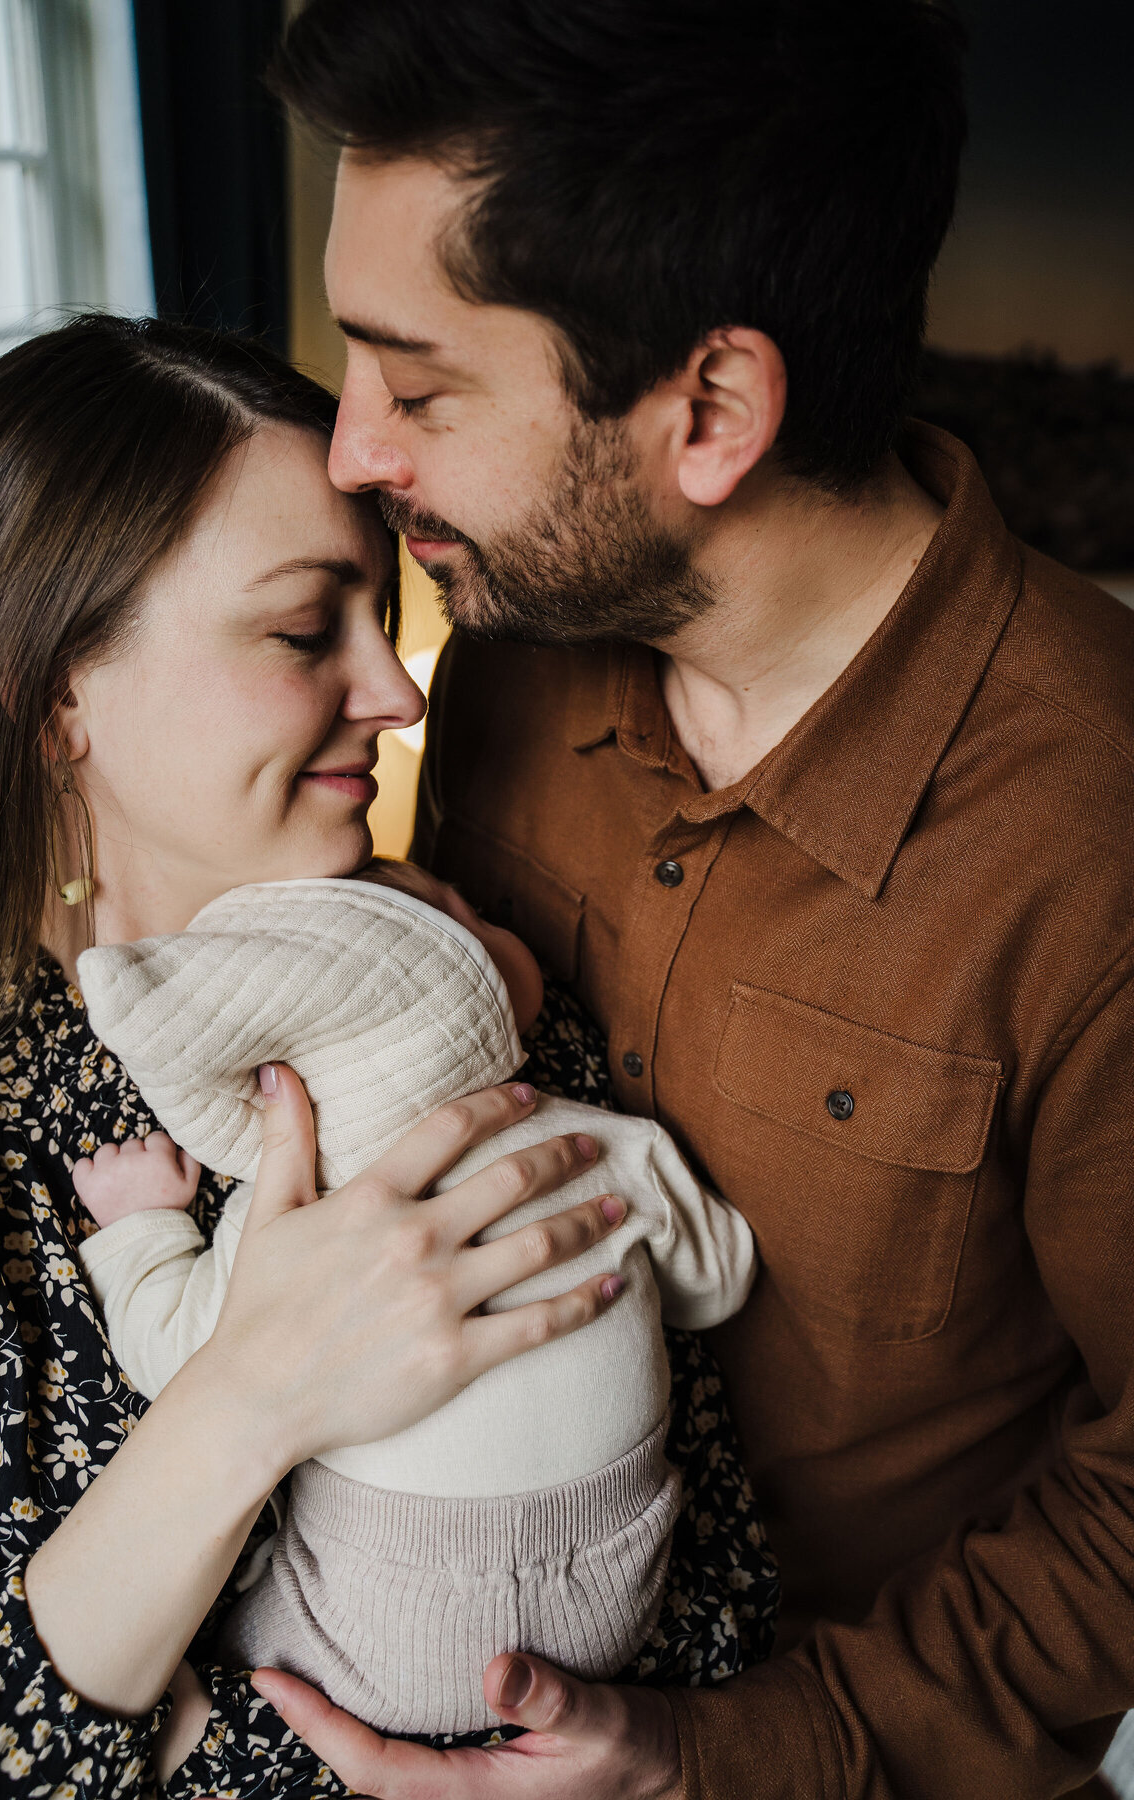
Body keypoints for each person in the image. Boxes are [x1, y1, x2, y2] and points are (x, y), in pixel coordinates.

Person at [261, 1, 1134, 1796]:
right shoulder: (513, 636)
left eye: (419, 387)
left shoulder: (1098, 835)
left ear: (713, 410)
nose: (356, 454)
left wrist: (734, 1758)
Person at [0, 314, 662, 1795]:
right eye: (297, 629)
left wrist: (646, 1756)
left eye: (383, 616)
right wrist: (254, 1388)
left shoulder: (473, 1002)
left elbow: (693, 1593)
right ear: (51, 687)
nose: (397, 695)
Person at [67, 861, 757, 1735]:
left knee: (230, 1654)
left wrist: (144, 1229)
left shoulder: (294, 1215)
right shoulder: (588, 1138)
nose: (497, 916)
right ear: (463, 974)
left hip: (383, 1624)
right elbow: (723, 1277)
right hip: (624, 1584)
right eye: (468, 909)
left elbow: (177, 1356)